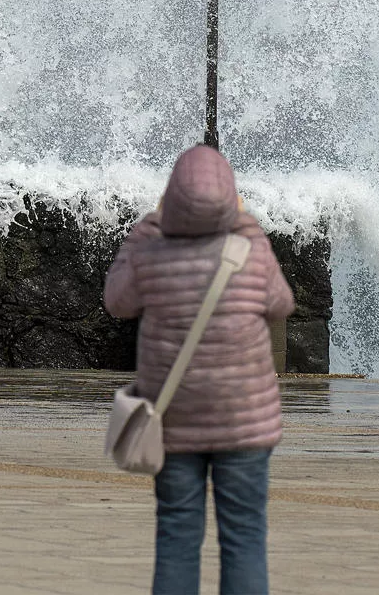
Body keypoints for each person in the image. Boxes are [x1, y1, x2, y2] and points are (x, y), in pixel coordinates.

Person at [104, 144, 294, 595]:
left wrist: (147, 225)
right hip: (245, 423)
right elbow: (281, 303)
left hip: (173, 422)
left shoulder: (150, 257)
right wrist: (247, 224)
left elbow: (116, 300)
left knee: (177, 534)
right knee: (244, 536)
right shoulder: (249, 251)